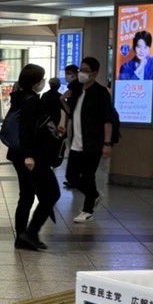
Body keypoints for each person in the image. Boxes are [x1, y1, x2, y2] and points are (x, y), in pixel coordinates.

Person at [6, 63, 62, 251]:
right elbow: (26, 131)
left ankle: (22, 237)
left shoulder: (19, 97)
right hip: (31, 156)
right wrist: (29, 156)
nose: (43, 82)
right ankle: (30, 233)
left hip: (19, 154)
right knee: (52, 193)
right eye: (41, 79)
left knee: (27, 195)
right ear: (35, 82)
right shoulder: (31, 100)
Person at [63, 56, 113, 222]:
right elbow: (73, 112)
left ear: (94, 73)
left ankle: (87, 209)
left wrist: (107, 143)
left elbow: (108, 120)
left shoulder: (101, 93)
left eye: (85, 71)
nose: (81, 74)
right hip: (76, 142)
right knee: (71, 176)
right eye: (81, 70)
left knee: (87, 176)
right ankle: (94, 195)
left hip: (93, 143)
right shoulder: (78, 91)